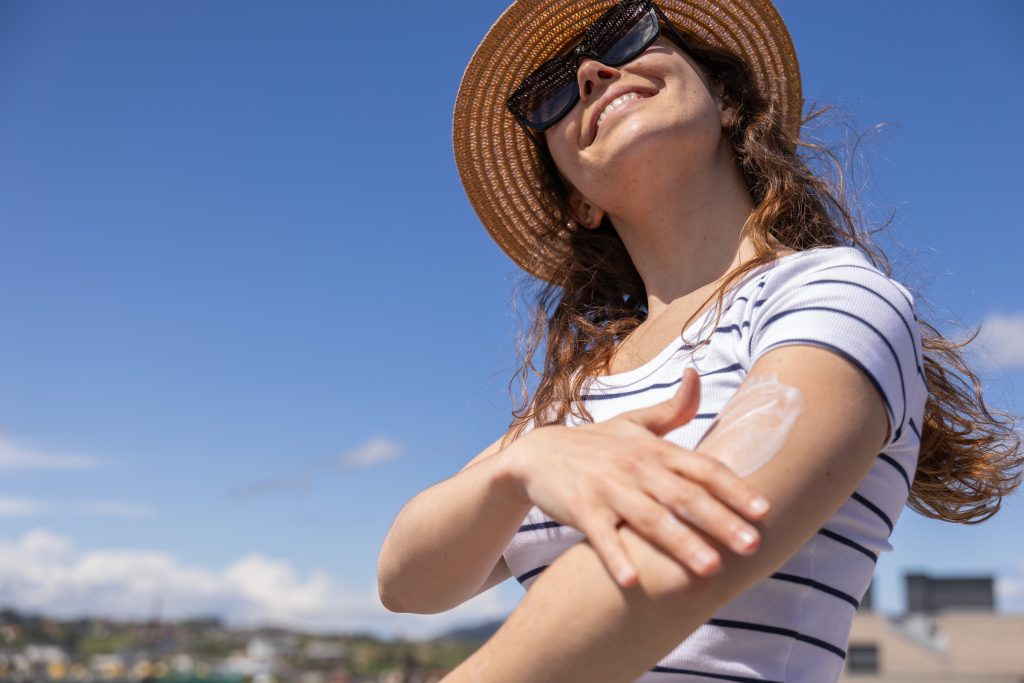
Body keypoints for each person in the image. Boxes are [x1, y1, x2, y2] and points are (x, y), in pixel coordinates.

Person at [377, 1, 1024, 681]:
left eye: (625, 34)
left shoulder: (832, 297)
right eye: (551, 93)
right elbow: (404, 582)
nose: (592, 72)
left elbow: (689, 546)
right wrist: (518, 467)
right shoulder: (577, 398)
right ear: (578, 203)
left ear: (726, 100)